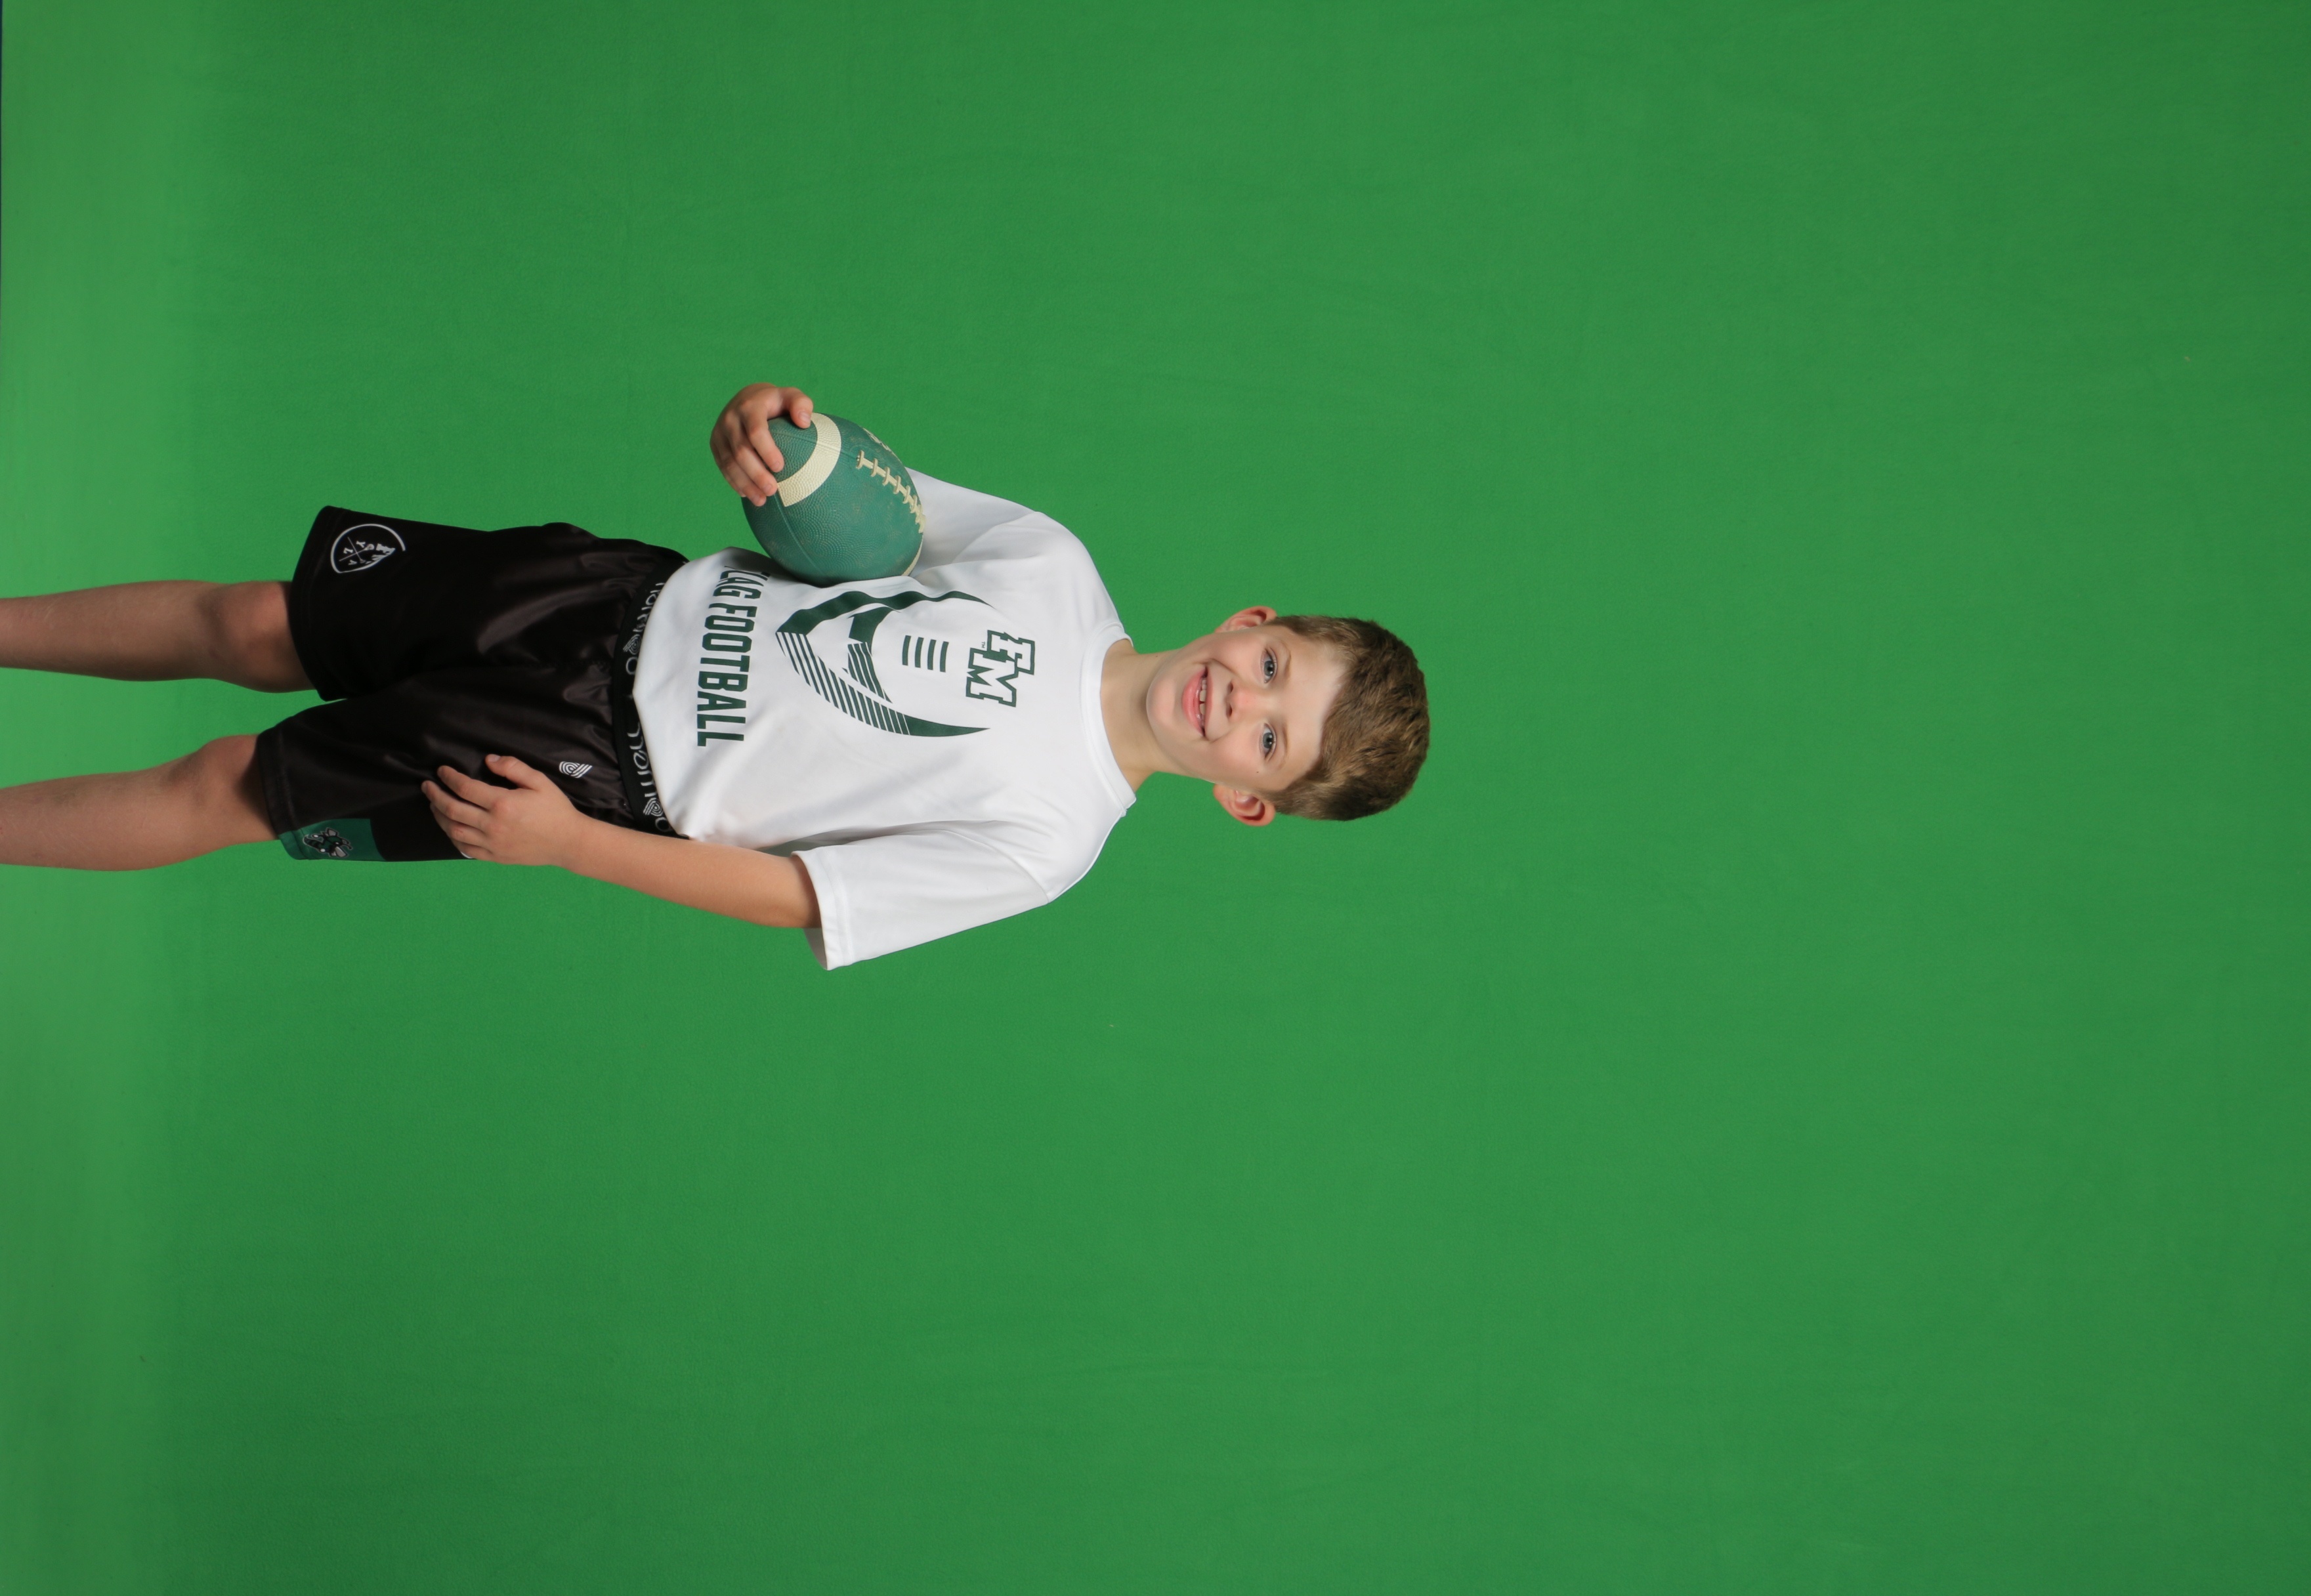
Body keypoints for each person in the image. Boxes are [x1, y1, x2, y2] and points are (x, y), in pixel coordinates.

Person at [0, 384, 1430, 967]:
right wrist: (767, 439)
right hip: (608, 592)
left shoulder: (1045, 844)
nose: (1241, 702)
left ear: (1249, 799)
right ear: (1253, 618)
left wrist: (575, 846)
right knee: (254, 622)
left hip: (587, 762)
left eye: (1271, 741)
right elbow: (853, 506)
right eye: (1272, 666)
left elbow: (799, 895)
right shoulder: (1051, 562)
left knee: (228, 786)